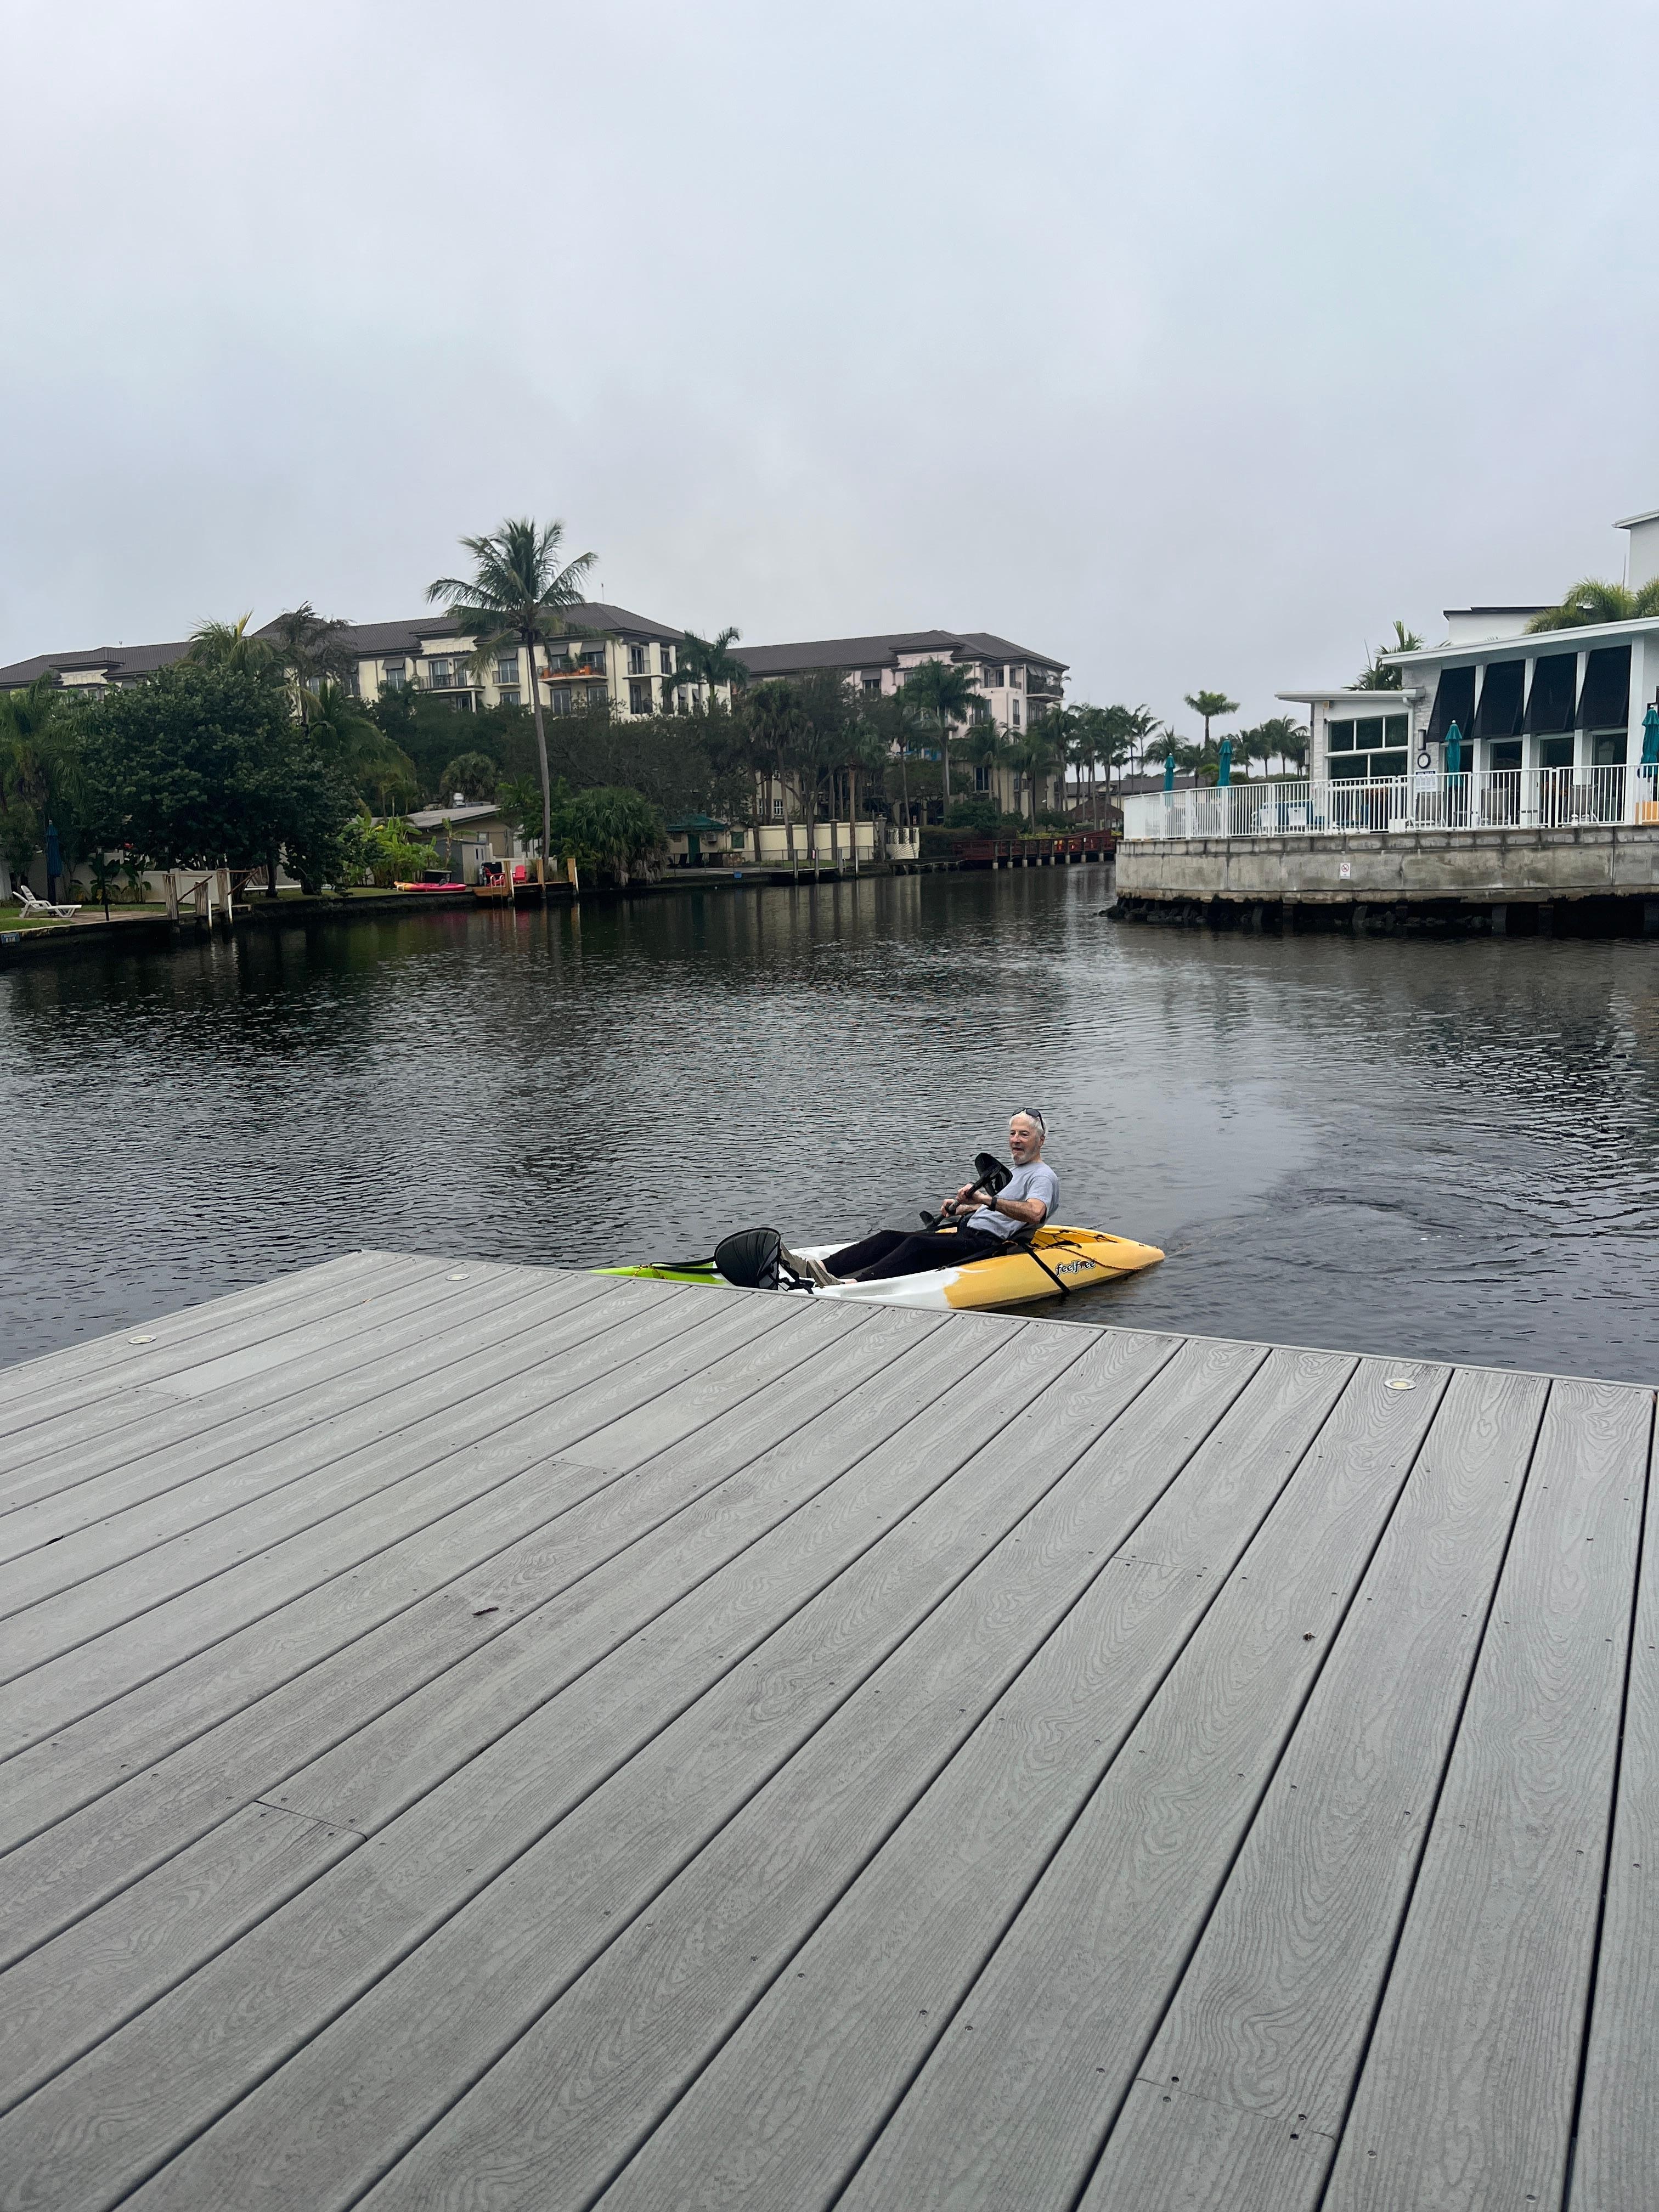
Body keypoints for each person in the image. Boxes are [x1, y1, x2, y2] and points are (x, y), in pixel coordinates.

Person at [799, 1111, 1058, 1284]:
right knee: (889, 1237)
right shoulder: (1015, 1171)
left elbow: (1035, 1213)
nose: (1015, 1140)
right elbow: (1000, 1210)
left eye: (1024, 1135)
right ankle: (821, 1267)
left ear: (1041, 1140)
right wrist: (964, 1209)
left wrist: (985, 1200)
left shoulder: (1043, 1176)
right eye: (1012, 1134)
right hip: (966, 1233)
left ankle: (853, 1285)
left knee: (916, 1246)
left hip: (988, 1245)